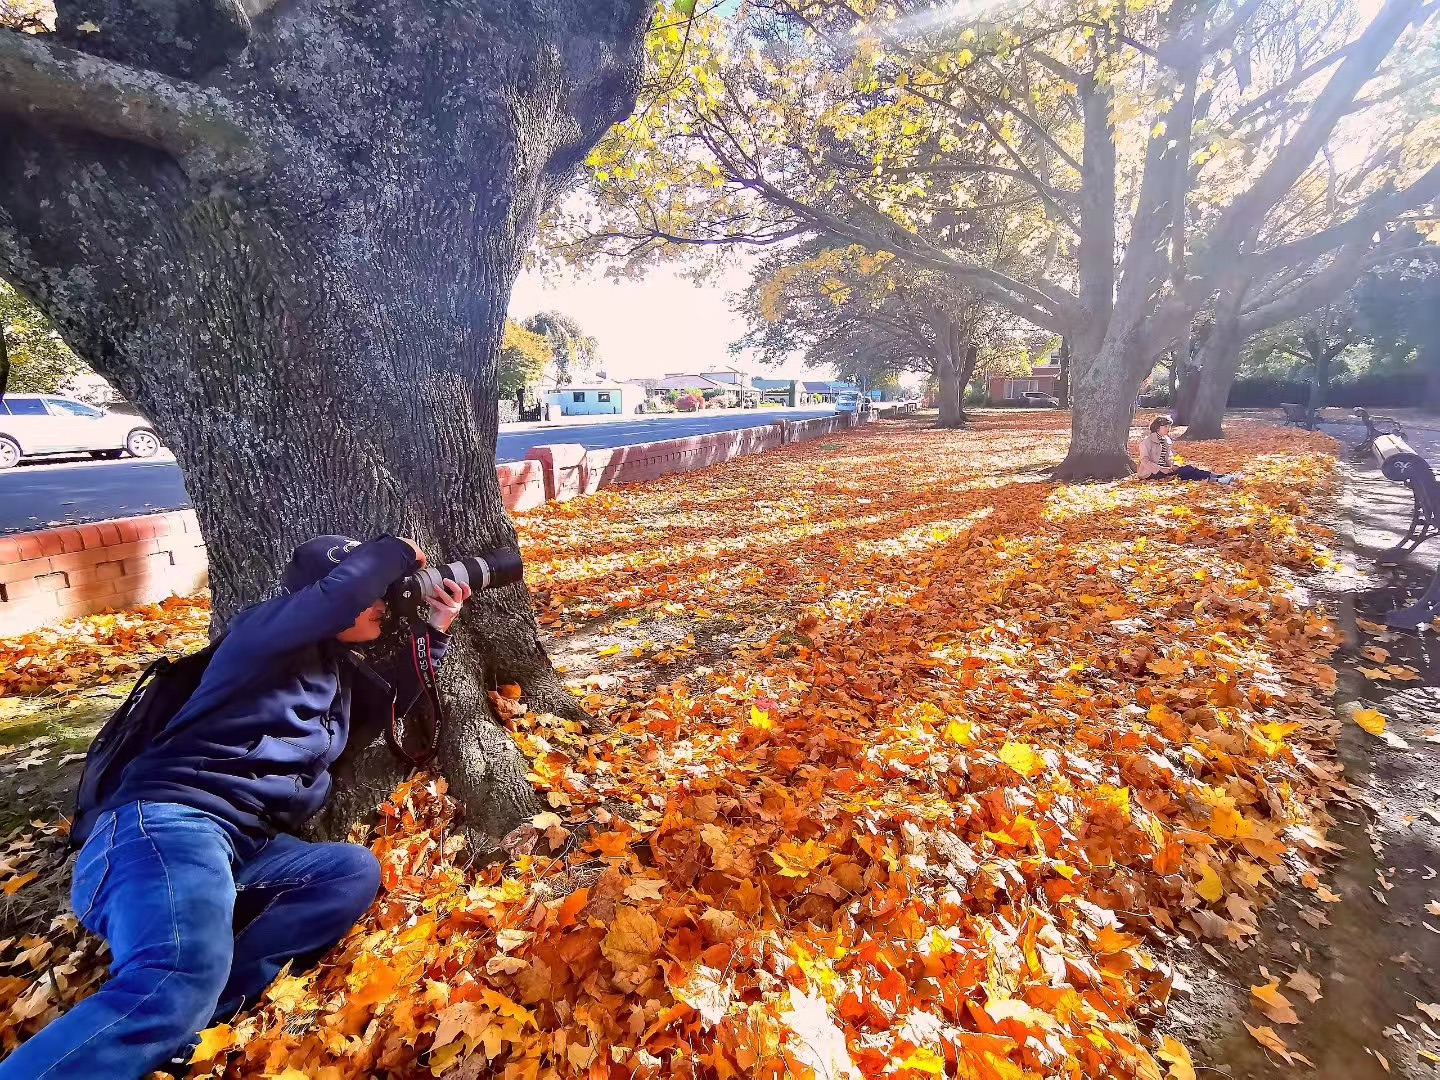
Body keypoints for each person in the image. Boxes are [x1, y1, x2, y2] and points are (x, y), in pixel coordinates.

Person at [0, 534, 471, 1080]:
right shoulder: (261, 636)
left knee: (348, 872)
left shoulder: (337, 676)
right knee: (175, 975)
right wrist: (393, 552)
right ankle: (169, 1003)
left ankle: (193, 1026)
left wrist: (433, 632)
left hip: (243, 847)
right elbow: (339, 596)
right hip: (165, 826)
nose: (384, 604)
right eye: (376, 593)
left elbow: (382, 714)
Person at [1138, 416, 1234, 483]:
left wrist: (1175, 464)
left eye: (1169, 426)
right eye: (1165, 426)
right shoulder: (1146, 442)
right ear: (1157, 428)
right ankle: (1218, 479)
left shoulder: (1166, 440)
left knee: (1189, 469)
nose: (1168, 429)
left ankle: (1218, 477)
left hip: (1167, 469)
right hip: (1150, 473)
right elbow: (1145, 461)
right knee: (1186, 472)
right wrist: (1161, 469)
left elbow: (1172, 456)